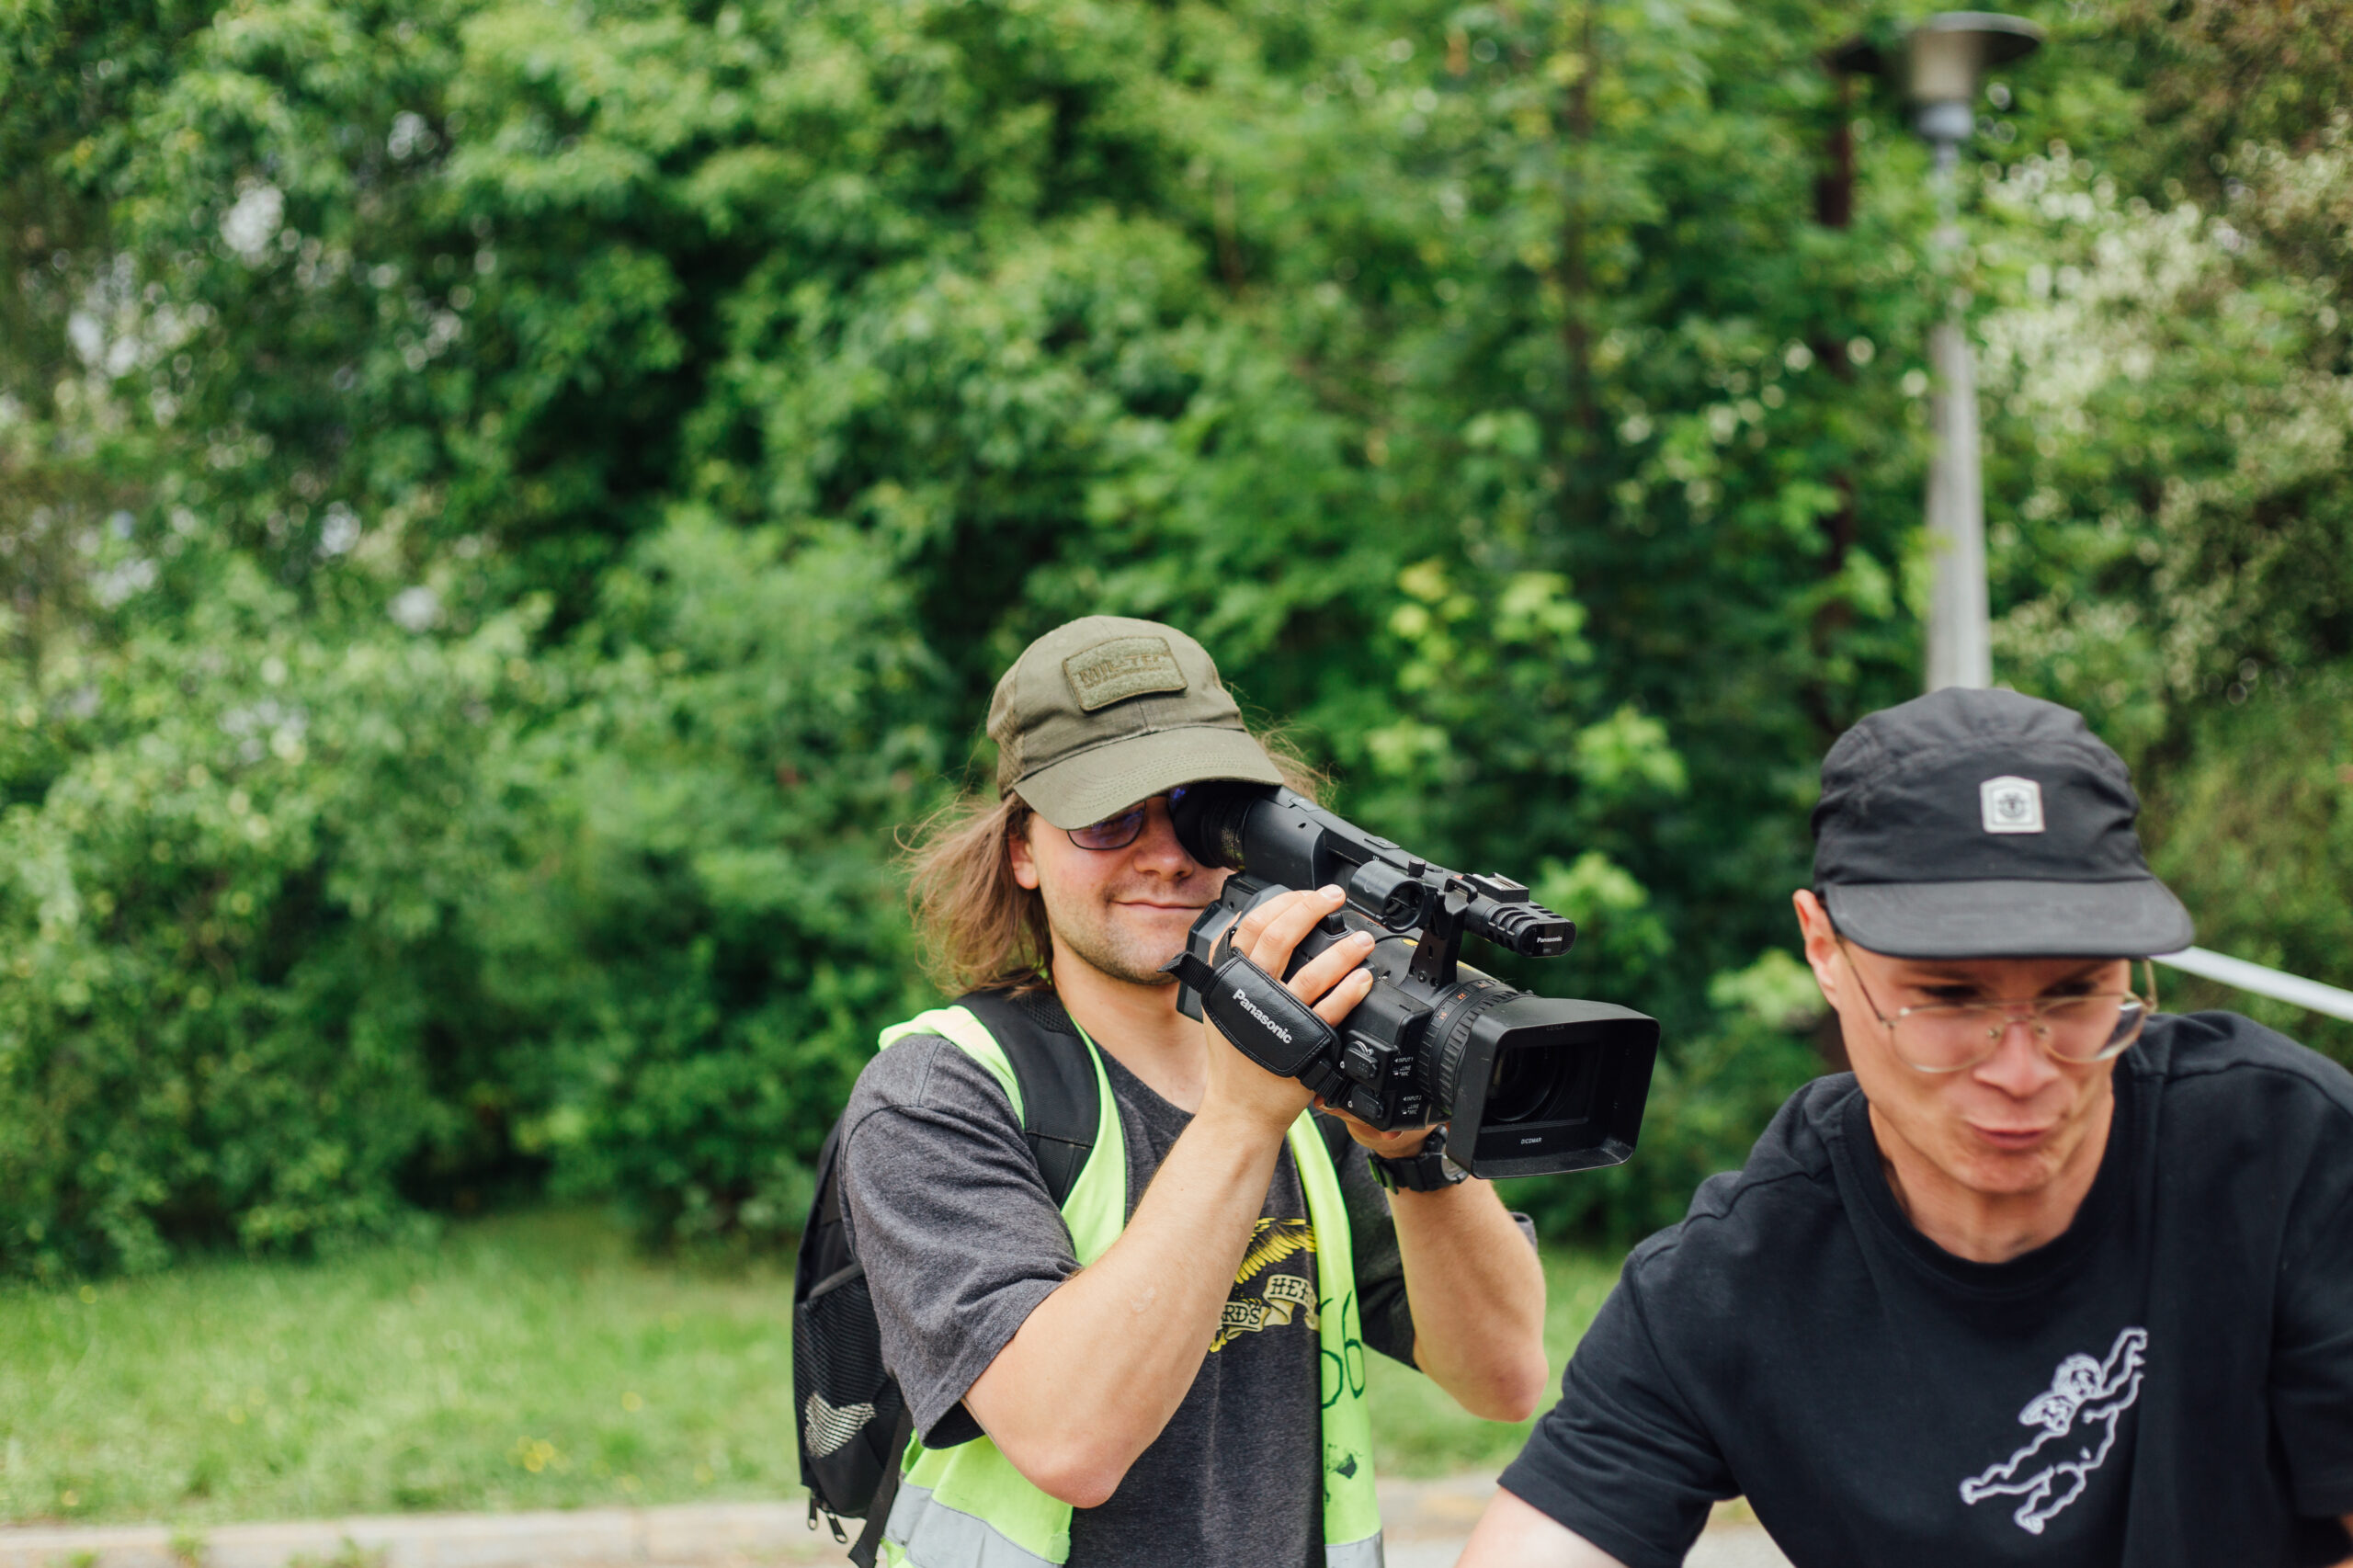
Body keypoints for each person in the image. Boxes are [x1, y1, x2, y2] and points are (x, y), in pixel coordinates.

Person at [1460, 687, 2353, 1568]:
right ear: (1823, 948)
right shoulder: (1735, 1279)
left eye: (2076, 993)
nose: (2022, 1071)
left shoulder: (2285, 1151)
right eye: (1948, 999)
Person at [836, 615, 1550, 1568]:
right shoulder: (938, 1091)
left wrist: (1412, 1149)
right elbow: (1069, 1441)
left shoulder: (1323, 1067)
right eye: (1106, 819)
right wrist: (1243, 1113)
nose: (1166, 855)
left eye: (1199, 813)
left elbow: (1503, 1378)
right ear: (1020, 851)